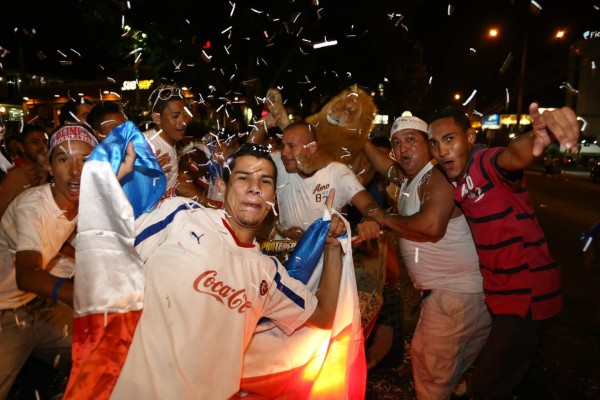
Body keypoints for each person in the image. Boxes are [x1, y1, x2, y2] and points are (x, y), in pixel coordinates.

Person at [96, 143, 348, 399]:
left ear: (273, 198)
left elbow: (324, 316)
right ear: (224, 187)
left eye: (265, 181)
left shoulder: (268, 275)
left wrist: (332, 248)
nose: (254, 187)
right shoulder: (180, 216)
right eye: (243, 178)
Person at [427, 103, 580, 399]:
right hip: (504, 297)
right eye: (434, 142)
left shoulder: (484, 162)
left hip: (527, 295)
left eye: (449, 139)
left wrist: (537, 137)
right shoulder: (456, 182)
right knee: (525, 378)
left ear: (470, 138)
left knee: (486, 385)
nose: (441, 150)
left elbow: (511, 155)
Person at [364, 114, 491, 398]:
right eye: (396, 143)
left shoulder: (436, 179)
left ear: (429, 146)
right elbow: (385, 166)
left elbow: (431, 226)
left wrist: (385, 218)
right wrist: (358, 139)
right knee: (448, 374)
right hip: (458, 297)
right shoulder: (410, 178)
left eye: (411, 140)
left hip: (454, 298)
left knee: (430, 378)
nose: (402, 148)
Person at [0, 124, 98, 399]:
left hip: (39, 306)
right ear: (50, 167)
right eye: (64, 159)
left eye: (85, 160)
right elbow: (28, 274)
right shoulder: (32, 206)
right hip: (4, 314)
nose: (76, 170)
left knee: (102, 351)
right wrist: (76, 295)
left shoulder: (84, 203)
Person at [248, 120, 383, 241]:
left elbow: (369, 206)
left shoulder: (337, 173)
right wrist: (263, 123)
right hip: (285, 260)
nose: (284, 152)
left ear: (312, 147)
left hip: (325, 260)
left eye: (291, 146)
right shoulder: (280, 163)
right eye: (283, 145)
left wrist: (370, 218)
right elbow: (248, 157)